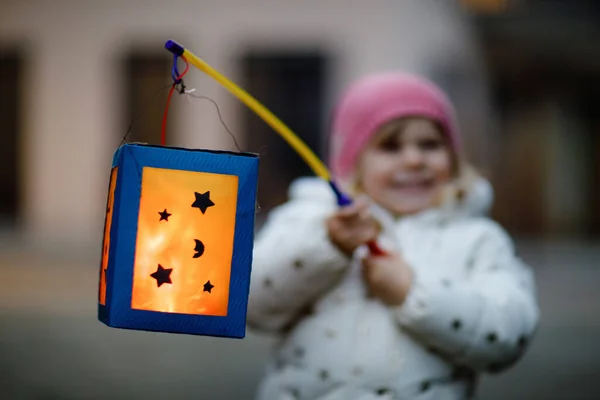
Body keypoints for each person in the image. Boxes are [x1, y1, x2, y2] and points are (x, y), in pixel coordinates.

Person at [246, 72, 539, 400]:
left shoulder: (477, 238)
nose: (414, 160)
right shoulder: (311, 219)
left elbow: (507, 335)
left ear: (454, 158)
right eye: (390, 146)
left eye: (430, 144)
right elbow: (251, 301)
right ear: (351, 162)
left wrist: (413, 293)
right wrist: (327, 247)